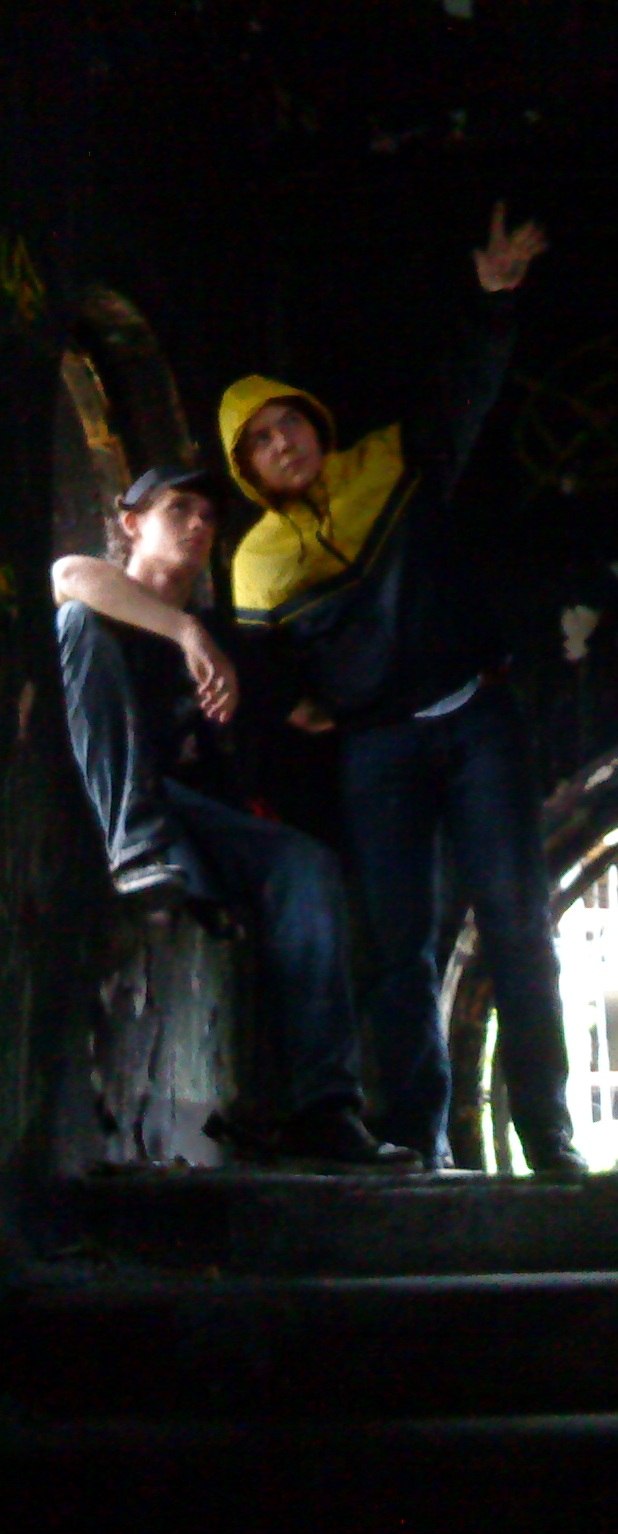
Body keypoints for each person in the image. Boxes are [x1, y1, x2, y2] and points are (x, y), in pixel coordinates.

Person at [218, 201, 587, 1177]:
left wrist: (493, 303)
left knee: (516, 922)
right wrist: (304, 709)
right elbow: (258, 678)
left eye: (288, 421)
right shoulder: (256, 563)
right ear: (246, 469)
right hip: (379, 750)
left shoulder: (385, 460)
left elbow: (464, 396)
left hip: (478, 718)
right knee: (398, 946)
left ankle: (547, 1134)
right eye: (258, 441)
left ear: (313, 421)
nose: (282, 442)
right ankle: (417, 1138)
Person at [51, 464, 422, 1169]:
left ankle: (326, 1110)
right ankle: (136, 851)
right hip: (118, 807)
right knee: (72, 622)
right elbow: (68, 575)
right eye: (178, 509)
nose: (198, 524)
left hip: (192, 825)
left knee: (306, 865)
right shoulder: (110, 602)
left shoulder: (230, 643)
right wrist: (187, 632)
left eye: (209, 516)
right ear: (130, 522)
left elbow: (312, 714)